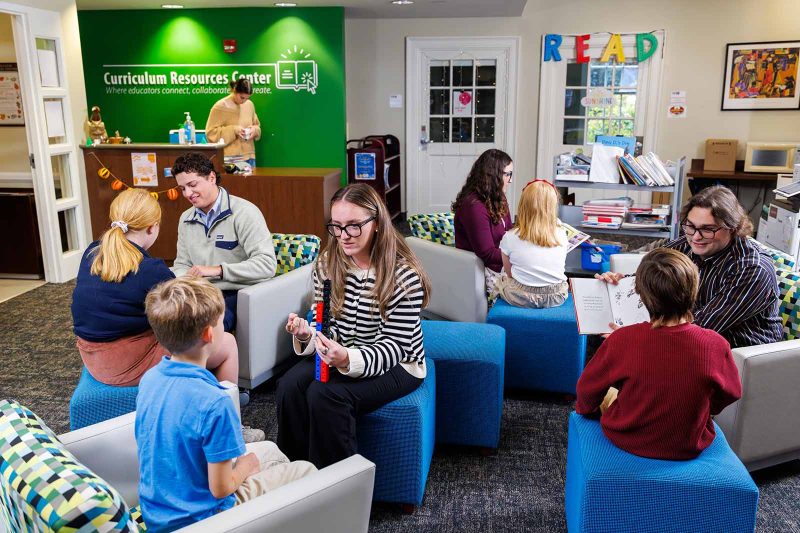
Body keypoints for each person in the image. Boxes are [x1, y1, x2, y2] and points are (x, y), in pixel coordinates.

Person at [137, 277, 316, 532]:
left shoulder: (150, 380)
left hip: (159, 512)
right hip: (203, 519)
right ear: (209, 334)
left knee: (270, 449)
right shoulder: (215, 402)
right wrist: (246, 466)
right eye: (222, 323)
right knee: (305, 470)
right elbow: (220, 488)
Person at [276, 183, 431, 468]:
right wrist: (308, 335)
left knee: (325, 395)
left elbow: (394, 348)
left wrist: (347, 358)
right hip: (343, 350)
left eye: (353, 226)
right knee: (288, 385)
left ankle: (339, 490)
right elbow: (326, 324)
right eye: (336, 226)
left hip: (400, 363)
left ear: (377, 224)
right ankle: (295, 475)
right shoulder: (326, 264)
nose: (343, 236)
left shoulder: (403, 277)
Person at [576, 248, 742, 460]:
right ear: (694, 288)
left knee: (609, 393)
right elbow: (732, 392)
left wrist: (586, 411)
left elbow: (587, 389)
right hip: (688, 445)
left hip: (626, 439)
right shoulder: (716, 343)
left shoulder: (622, 339)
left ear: (641, 295)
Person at [71, 188, 238, 387]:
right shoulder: (151, 270)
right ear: (152, 227)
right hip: (125, 366)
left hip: (91, 357)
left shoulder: (92, 251)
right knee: (226, 343)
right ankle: (229, 406)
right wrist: (227, 311)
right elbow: (187, 323)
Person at [597, 185, 782, 348]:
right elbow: (653, 275)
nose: (695, 237)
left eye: (708, 229)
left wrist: (634, 337)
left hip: (738, 351)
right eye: (690, 226)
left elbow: (701, 328)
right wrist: (623, 282)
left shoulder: (752, 270)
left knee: (624, 347)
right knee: (602, 335)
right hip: (687, 333)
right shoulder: (686, 245)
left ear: (733, 227)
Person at [171, 151, 276, 333]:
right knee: (164, 319)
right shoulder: (185, 218)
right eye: (182, 188)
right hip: (201, 293)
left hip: (239, 293)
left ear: (212, 177)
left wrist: (218, 270)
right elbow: (182, 264)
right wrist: (181, 281)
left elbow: (267, 265)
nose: (188, 193)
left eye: (192, 184)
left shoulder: (245, 213)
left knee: (204, 329)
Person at [495, 179, 569, 308]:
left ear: (523, 206)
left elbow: (510, 273)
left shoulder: (510, 237)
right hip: (556, 296)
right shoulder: (562, 234)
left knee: (500, 280)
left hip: (520, 296)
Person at [452, 149, 513, 293]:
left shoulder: (498, 196)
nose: (511, 180)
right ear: (494, 175)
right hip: (484, 271)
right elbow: (487, 254)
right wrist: (519, 254)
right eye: (508, 174)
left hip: (501, 264)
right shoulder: (474, 206)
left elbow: (509, 230)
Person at [205, 78, 261, 168]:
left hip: (250, 157)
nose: (244, 101)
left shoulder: (249, 105)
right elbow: (210, 133)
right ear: (234, 90)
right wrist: (234, 130)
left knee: (251, 182)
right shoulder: (220, 106)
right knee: (234, 182)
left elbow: (257, 125)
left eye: (247, 98)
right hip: (231, 158)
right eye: (242, 97)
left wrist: (254, 131)